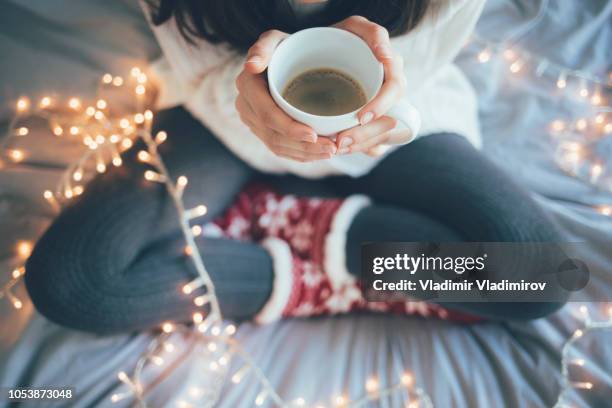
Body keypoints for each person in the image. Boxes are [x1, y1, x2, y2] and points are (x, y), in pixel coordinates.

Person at [25, 0, 567, 334]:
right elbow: (196, 73)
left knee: (541, 276)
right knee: (71, 281)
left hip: (395, 128)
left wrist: (386, 115)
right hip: (217, 115)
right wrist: (244, 98)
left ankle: (340, 243)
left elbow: (418, 78)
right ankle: (343, 259)